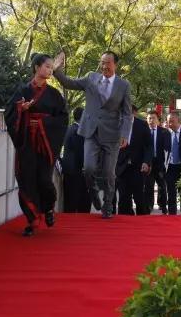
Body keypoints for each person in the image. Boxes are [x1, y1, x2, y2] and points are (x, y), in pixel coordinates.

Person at [52, 50, 132, 219]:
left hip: (112, 135)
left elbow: (126, 113)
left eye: (108, 63)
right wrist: (57, 70)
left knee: (109, 173)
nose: (104, 66)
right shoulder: (91, 78)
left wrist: (125, 134)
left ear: (115, 65)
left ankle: (108, 205)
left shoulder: (124, 85)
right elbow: (69, 83)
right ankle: (93, 192)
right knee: (88, 169)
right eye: (102, 62)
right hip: (91, 132)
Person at [4, 53, 68, 236]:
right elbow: (9, 113)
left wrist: (42, 124)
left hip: (46, 143)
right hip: (27, 142)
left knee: (44, 180)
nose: (50, 70)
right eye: (47, 66)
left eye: (51, 67)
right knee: (26, 179)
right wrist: (21, 110)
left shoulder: (54, 94)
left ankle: (48, 208)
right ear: (37, 67)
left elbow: (63, 118)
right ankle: (32, 221)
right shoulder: (22, 91)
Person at [115, 105, 152, 215]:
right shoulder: (117, 124)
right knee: (123, 197)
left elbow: (149, 146)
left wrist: (146, 162)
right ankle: (125, 220)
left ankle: (142, 219)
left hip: (138, 166)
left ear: (134, 113)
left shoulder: (142, 125)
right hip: (122, 166)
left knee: (139, 196)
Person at [61, 107, 91, 213]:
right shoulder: (78, 131)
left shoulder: (70, 128)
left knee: (70, 200)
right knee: (78, 201)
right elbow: (80, 151)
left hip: (70, 170)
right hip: (76, 171)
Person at [145, 110, 170, 214]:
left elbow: (167, 148)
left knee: (162, 186)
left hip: (160, 163)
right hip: (148, 163)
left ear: (158, 120)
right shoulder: (144, 131)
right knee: (148, 186)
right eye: (149, 118)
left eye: (153, 118)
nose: (151, 120)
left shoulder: (164, 132)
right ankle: (149, 206)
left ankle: (163, 206)